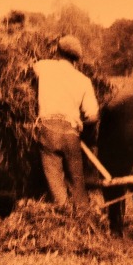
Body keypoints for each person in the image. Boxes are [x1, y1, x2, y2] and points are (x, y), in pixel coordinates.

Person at [32, 35, 100, 208]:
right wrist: (80, 125)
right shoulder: (84, 80)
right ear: (76, 58)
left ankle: (62, 209)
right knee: (77, 181)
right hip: (71, 133)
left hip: (48, 130)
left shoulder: (44, 66)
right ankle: (83, 211)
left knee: (54, 177)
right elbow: (93, 116)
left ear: (57, 51)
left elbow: (30, 69)